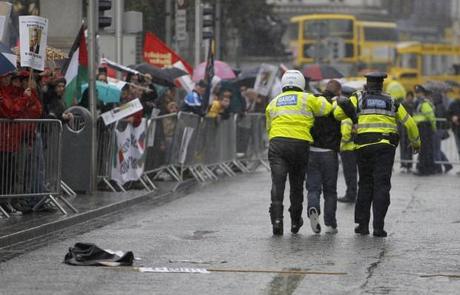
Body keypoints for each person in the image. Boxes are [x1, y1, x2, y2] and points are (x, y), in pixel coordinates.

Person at [334, 72, 421, 237]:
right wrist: (416, 143)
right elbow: (410, 123)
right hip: (385, 148)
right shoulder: (391, 100)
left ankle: (362, 225)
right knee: (382, 186)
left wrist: (348, 109)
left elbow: (338, 114)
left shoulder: (358, 98)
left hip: (364, 147)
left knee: (365, 184)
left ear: (367, 84)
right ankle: (378, 227)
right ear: (382, 85)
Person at [266, 70, 333, 235]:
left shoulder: (273, 102)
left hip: (277, 143)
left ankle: (277, 221)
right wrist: (322, 97)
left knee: (277, 183)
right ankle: (295, 221)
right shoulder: (308, 98)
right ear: (301, 84)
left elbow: (269, 127)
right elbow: (326, 109)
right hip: (299, 144)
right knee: (296, 185)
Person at [305, 80, 343, 234]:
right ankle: (330, 221)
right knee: (330, 190)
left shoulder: (314, 102)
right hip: (329, 153)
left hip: (312, 151)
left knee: (313, 187)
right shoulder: (336, 105)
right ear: (338, 92)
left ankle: (313, 207)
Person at [413, 85, 436, 176]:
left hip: (425, 127)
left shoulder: (424, 104)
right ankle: (427, 168)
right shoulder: (418, 103)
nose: (417, 94)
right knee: (424, 149)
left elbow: (431, 117)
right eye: (417, 93)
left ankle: (424, 169)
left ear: (423, 93)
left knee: (424, 150)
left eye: (419, 93)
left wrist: (434, 128)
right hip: (420, 127)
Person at [431, 90, 452, 174]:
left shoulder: (439, 107)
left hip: (438, 129)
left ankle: (438, 168)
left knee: (436, 149)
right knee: (437, 149)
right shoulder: (439, 105)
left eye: (433, 97)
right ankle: (447, 165)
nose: (432, 99)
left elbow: (438, 118)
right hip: (439, 129)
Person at [399, 91, 415, 173]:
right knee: (403, 147)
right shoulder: (403, 105)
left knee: (410, 147)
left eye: (411, 97)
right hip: (403, 129)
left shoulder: (413, 105)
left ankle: (409, 165)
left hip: (410, 130)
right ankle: (403, 164)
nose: (410, 98)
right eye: (409, 96)